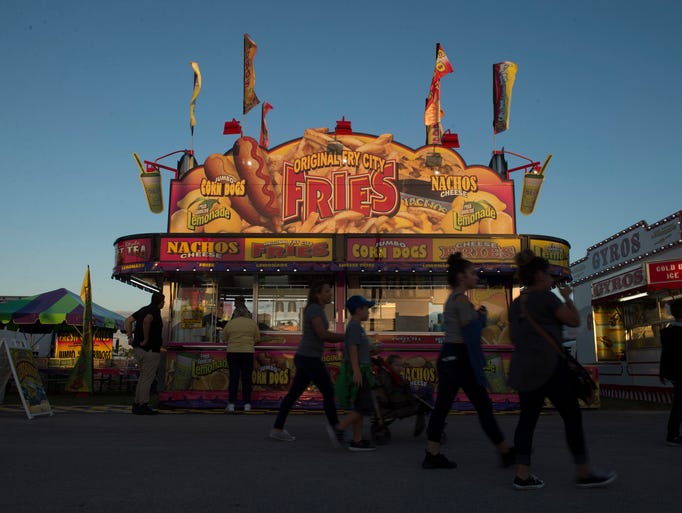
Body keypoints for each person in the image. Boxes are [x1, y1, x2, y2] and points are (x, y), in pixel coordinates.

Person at [507, 249, 617, 490]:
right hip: (550, 367)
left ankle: (522, 475)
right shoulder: (547, 298)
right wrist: (567, 297)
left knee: (527, 420)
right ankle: (584, 472)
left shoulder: (516, 304)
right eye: (548, 274)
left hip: (525, 368)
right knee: (571, 417)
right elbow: (574, 321)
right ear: (537, 275)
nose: (551, 279)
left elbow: (513, 335)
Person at [422, 252, 514, 469]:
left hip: (451, 356)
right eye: (472, 273)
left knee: (443, 407)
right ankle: (504, 451)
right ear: (462, 276)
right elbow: (470, 331)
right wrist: (480, 318)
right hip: (459, 358)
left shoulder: (454, 298)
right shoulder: (461, 299)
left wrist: (477, 317)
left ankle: (432, 453)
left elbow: (468, 327)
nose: (476, 276)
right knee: (481, 406)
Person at [269, 281, 345, 445]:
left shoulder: (318, 310)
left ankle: (277, 429)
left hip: (307, 357)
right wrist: (345, 336)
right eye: (327, 291)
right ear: (318, 294)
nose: (330, 294)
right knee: (328, 390)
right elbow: (322, 334)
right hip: (309, 358)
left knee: (294, 395)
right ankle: (335, 427)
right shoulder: (314, 310)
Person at [334, 295, 377, 451]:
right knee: (365, 406)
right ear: (359, 310)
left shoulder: (357, 326)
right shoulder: (354, 326)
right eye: (366, 308)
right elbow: (352, 348)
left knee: (359, 405)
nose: (368, 312)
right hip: (359, 371)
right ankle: (340, 428)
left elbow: (359, 348)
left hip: (360, 369)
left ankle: (357, 440)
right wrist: (357, 371)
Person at [125, 292, 165, 415]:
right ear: (160, 302)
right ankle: (143, 404)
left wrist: (130, 337)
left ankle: (137, 403)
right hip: (150, 350)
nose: (164, 303)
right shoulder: (155, 311)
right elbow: (147, 321)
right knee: (148, 378)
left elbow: (128, 320)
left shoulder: (143, 309)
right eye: (163, 301)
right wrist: (146, 338)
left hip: (138, 349)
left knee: (143, 377)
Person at [222, 299, 260, 412]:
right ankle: (247, 404)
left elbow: (224, 339)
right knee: (246, 379)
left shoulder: (230, 323)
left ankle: (231, 404)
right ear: (246, 313)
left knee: (234, 378)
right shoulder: (252, 323)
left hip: (233, 353)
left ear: (236, 313)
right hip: (247, 353)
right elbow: (257, 338)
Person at [660, 299, 682, 447]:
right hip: (679, 373)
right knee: (679, 405)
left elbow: (665, 355)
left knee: (678, 404)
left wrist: (663, 372)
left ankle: (673, 433)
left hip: (675, 373)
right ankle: (672, 435)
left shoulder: (668, 332)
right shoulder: (677, 333)